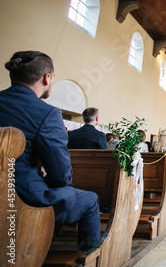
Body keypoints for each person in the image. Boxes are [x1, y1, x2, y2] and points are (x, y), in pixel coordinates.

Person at [0, 51, 100, 250]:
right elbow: (61, 175)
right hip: (22, 200)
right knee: (90, 200)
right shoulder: (47, 113)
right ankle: (86, 257)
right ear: (47, 78)